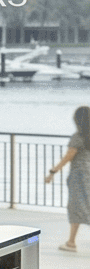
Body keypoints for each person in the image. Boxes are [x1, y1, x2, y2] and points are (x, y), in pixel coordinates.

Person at [43, 105, 90, 252]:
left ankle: (71, 243)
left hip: (79, 175)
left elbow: (69, 156)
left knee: (76, 206)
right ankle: (71, 242)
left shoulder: (78, 137)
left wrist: (53, 171)